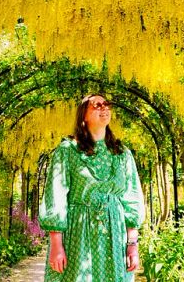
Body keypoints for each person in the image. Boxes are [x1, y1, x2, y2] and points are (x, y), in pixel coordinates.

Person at [39, 93, 146, 282]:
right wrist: (56, 244)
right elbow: (56, 195)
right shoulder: (67, 151)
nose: (104, 108)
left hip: (114, 232)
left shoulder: (122, 154)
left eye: (106, 104)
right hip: (78, 233)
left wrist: (133, 245)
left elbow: (132, 199)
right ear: (84, 116)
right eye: (96, 105)